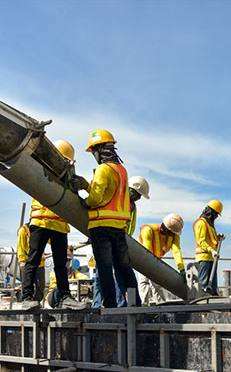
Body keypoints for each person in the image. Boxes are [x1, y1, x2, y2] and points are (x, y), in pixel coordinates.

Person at [76, 129, 140, 308]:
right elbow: (110, 195)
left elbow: (97, 199)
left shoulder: (103, 169)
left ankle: (110, 304)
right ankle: (135, 303)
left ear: (99, 150)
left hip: (101, 226)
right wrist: (87, 186)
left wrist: (86, 202)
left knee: (104, 268)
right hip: (118, 227)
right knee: (124, 267)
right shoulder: (122, 170)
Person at [21, 140, 86, 311]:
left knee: (60, 263)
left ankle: (65, 297)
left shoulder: (68, 174)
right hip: (42, 221)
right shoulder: (41, 167)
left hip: (58, 224)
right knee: (33, 260)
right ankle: (26, 297)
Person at [92, 175, 149, 308]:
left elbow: (131, 225)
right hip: (106, 238)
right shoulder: (116, 198)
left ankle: (120, 303)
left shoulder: (132, 206)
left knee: (118, 274)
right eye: (138, 195)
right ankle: (98, 305)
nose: (138, 198)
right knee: (102, 274)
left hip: (118, 241)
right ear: (131, 190)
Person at [138, 214, 185, 305]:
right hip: (142, 257)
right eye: (173, 233)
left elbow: (176, 252)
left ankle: (160, 304)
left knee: (157, 282)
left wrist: (181, 268)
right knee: (144, 280)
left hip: (155, 258)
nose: (174, 235)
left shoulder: (174, 236)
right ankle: (144, 305)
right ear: (167, 230)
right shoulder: (149, 230)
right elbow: (147, 252)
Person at [194, 200, 225, 295]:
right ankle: (202, 304)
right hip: (203, 258)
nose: (216, 217)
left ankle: (213, 300)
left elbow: (210, 239)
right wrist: (212, 250)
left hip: (212, 257)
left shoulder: (210, 224)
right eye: (216, 214)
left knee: (212, 286)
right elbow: (202, 241)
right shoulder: (201, 223)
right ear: (211, 212)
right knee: (203, 284)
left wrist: (218, 237)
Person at [17, 223, 45, 303]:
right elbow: (20, 246)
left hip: (40, 263)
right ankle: (27, 301)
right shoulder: (24, 229)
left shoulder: (42, 229)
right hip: (28, 263)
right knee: (28, 284)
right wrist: (22, 260)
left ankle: (36, 302)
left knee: (41, 285)